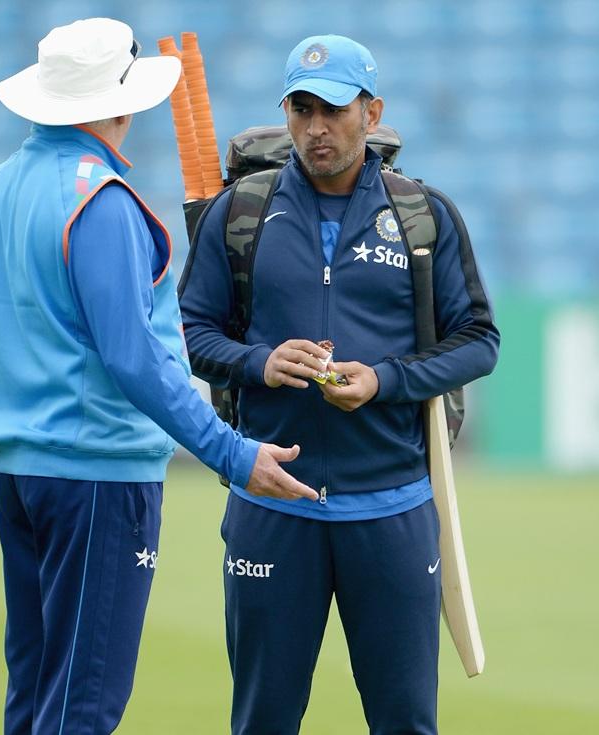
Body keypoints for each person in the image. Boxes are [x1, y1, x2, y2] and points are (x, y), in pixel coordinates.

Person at [0, 18, 318, 735]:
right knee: (83, 704)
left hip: (20, 471)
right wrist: (231, 451)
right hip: (95, 476)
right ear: (120, 104)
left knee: (34, 697)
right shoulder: (101, 201)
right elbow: (136, 358)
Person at [179, 34, 500, 735]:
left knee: (406, 721)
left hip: (391, 510)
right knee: (261, 720)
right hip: (271, 505)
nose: (315, 128)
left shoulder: (424, 215)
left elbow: (479, 340)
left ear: (372, 110)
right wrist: (259, 361)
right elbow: (193, 333)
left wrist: (384, 380)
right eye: (300, 109)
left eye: (332, 109)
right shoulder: (242, 212)